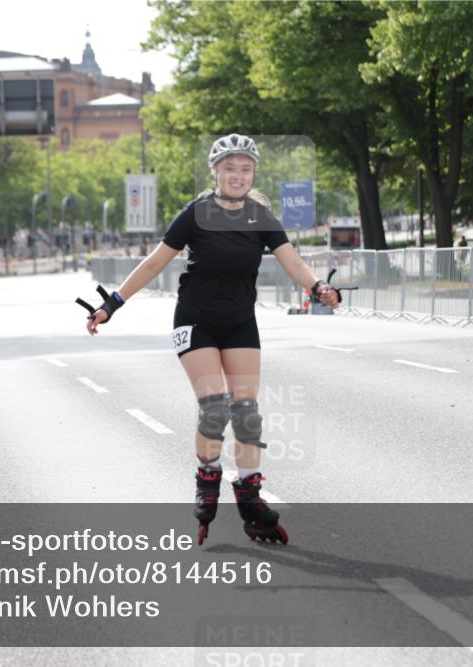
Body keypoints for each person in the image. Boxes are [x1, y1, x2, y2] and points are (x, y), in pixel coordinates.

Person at [83, 134, 341, 545]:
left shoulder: (261, 216)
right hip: (196, 321)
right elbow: (154, 264)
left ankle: (250, 497)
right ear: (216, 172)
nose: (237, 176)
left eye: (245, 169)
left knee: (247, 412)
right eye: (229, 168)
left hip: (239, 322)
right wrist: (112, 304)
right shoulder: (196, 214)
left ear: (253, 173)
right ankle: (207, 480)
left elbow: (292, 261)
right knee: (215, 409)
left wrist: (318, 289)